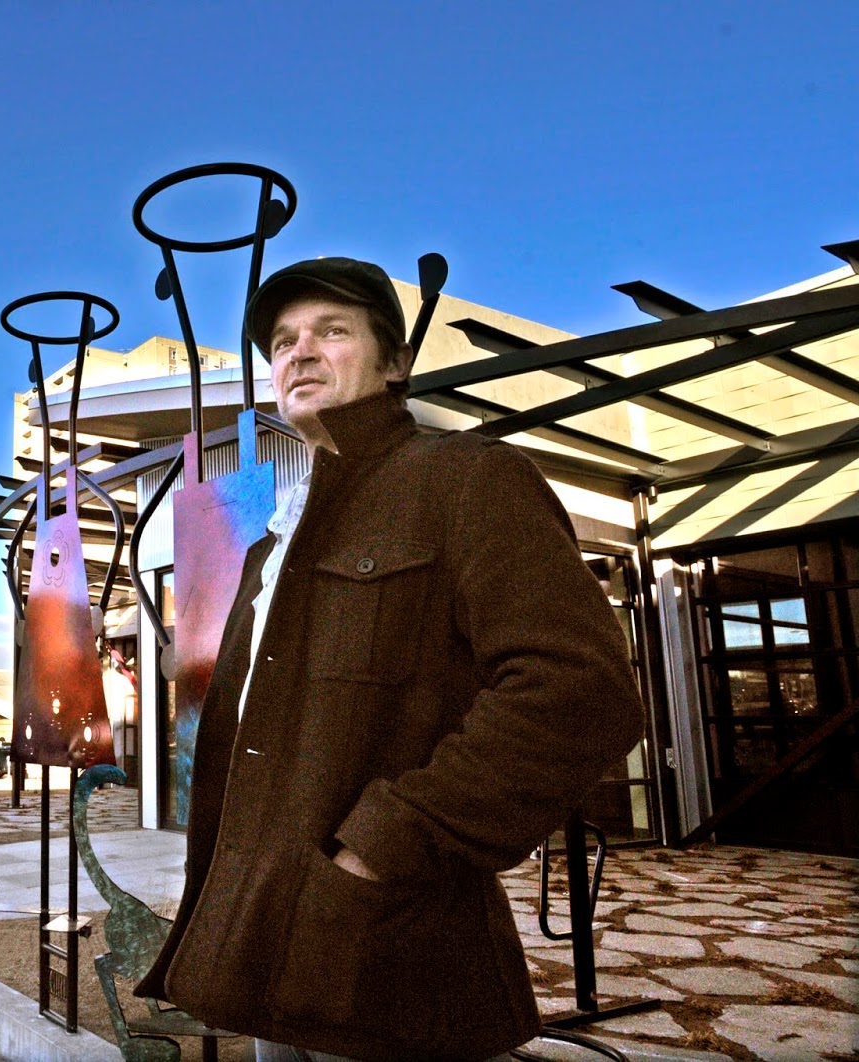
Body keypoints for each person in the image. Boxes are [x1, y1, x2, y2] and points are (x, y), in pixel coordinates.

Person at [136, 258, 645, 1061]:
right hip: (266, 950)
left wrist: (386, 845)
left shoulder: (466, 478)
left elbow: (579, 692)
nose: (300, 352)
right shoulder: (273, 544)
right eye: (282, 341)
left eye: (331, 331)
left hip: (392, 951)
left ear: (397, 362)